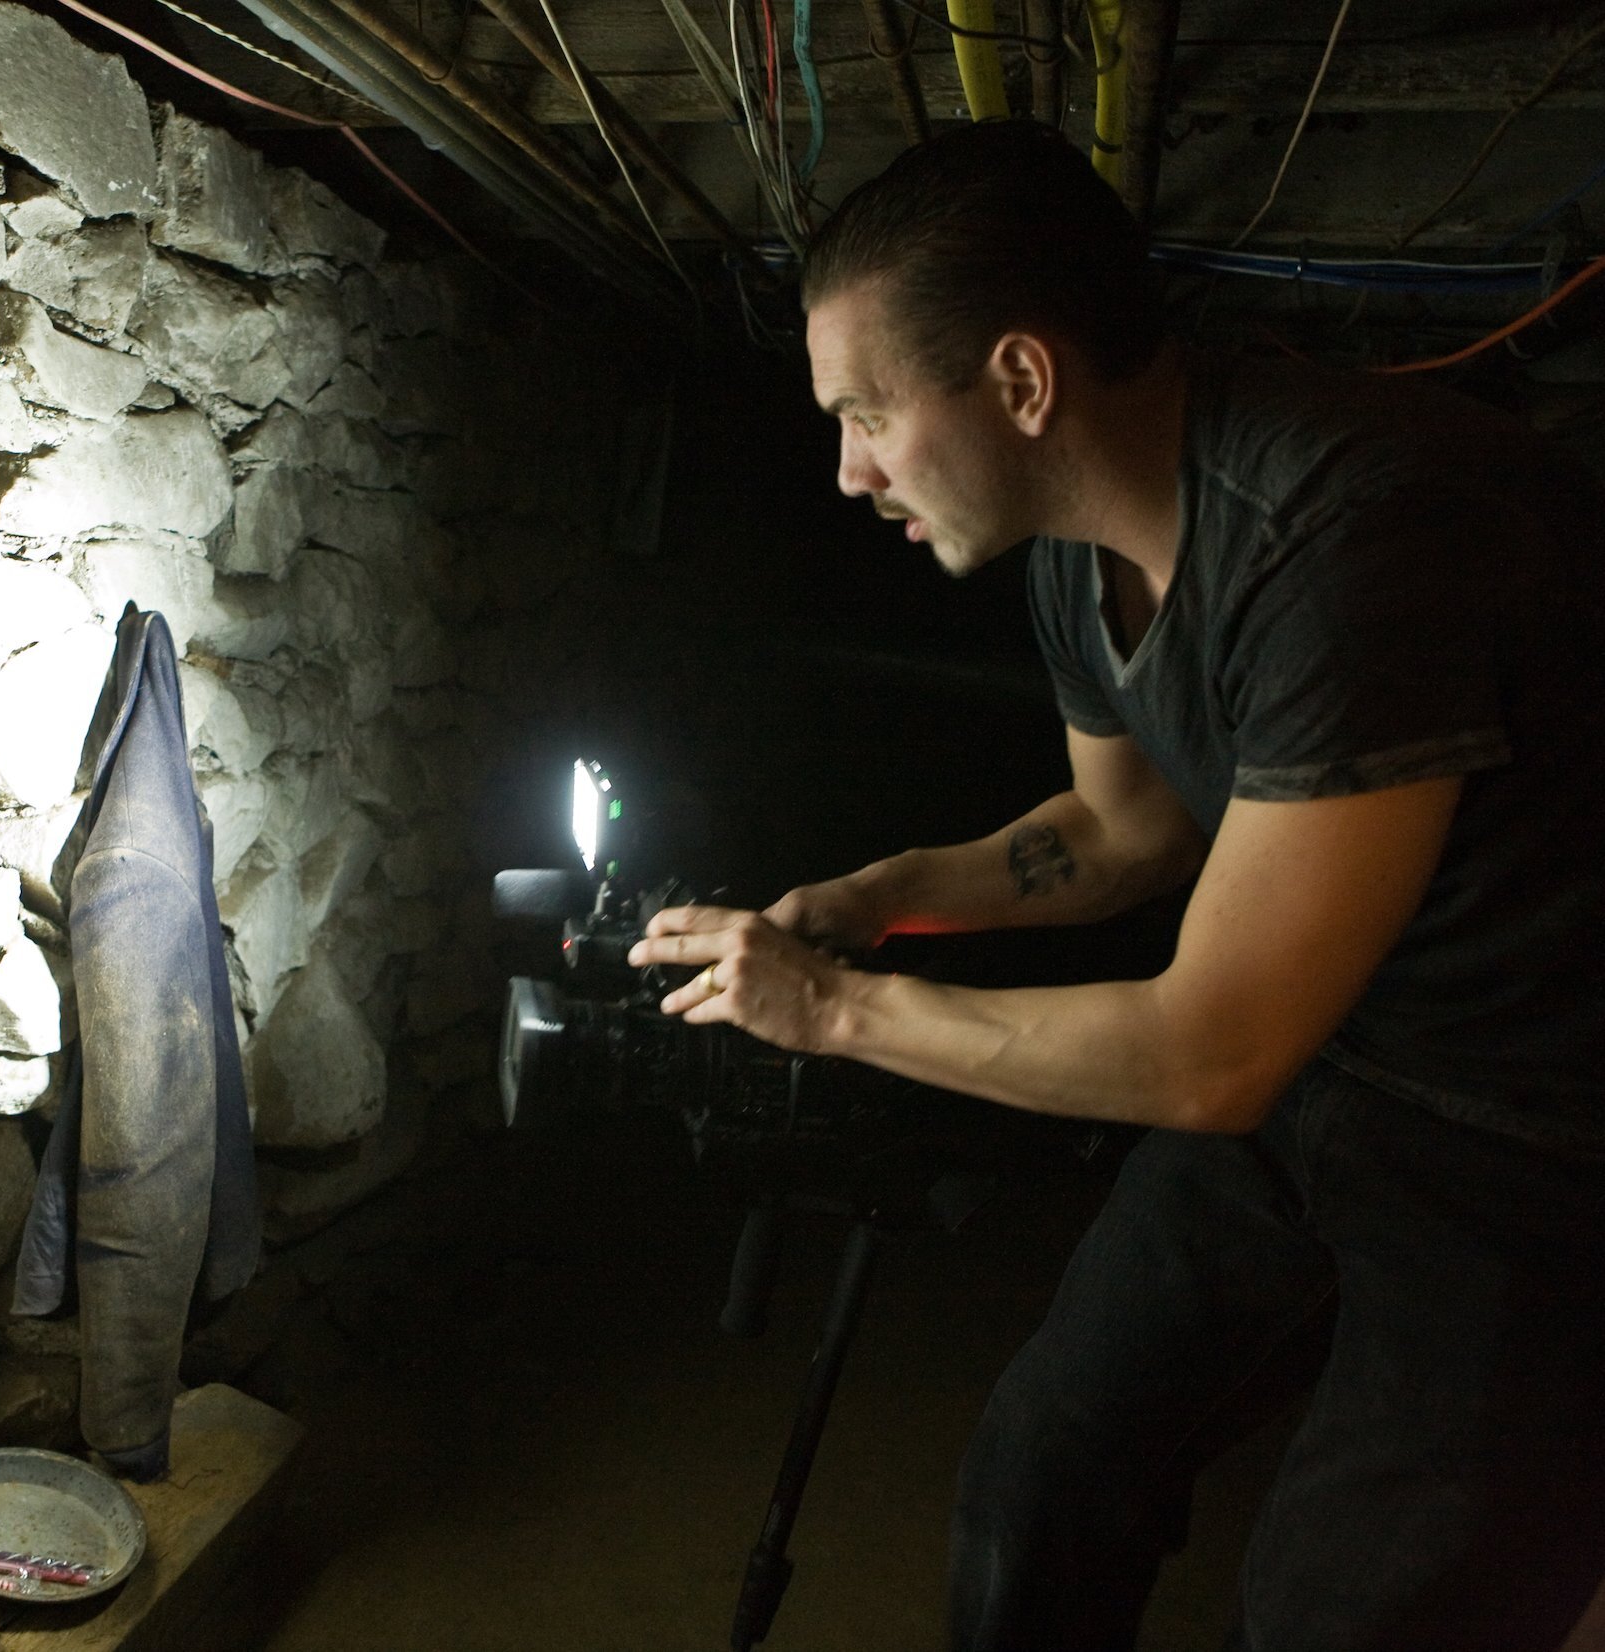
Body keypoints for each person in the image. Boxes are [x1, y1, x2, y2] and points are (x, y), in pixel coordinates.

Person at [628, 120, 1605, 1650]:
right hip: (1341, 1061)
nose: (844, 470)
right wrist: (873, 896)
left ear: (1020, 382)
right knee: (1044, 1473)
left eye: (867, 412)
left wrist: (831, 1008)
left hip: (1538, 1138)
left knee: (1348, 1616)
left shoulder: (1346, 535)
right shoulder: (1072, 555)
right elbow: (1120, 834)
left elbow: (1210, 1055)